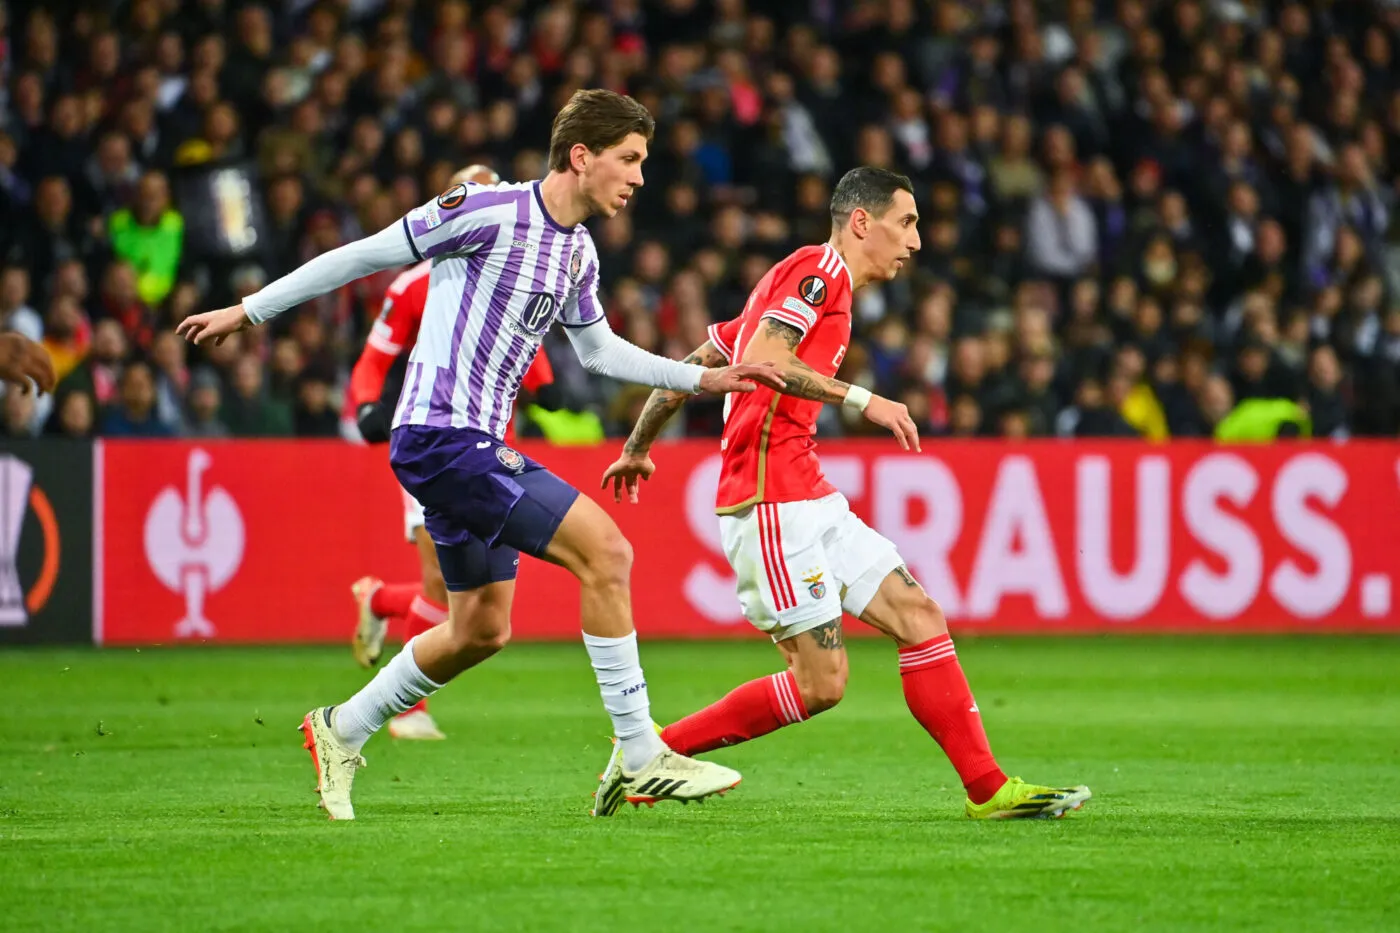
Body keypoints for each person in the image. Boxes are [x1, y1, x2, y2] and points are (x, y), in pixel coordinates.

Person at [177, 89, 784, 820]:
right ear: (581, 156)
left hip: (474, 445)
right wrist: (249, 310)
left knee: (480, 629)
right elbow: (364, 254)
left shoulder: (578, 252)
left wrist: (703, 377)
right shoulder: (485, 210)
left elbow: (596, 352)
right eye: (630, 159)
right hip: (439, 435)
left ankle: (340, 728)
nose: (640, 177)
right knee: (608, 553)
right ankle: (638, 748)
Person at [600, 167, 1091, 819]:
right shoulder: (818, 272)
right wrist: (864, 398)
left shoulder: (789, 287)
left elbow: (688, 371)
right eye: (907, 223)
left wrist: (637, 446)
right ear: (863, 221)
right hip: (770, 498)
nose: (915, 242)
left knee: (919, 616)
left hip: (809, 491)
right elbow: (771, 361)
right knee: (821, 683)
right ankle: (648, 753)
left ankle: (989, 788)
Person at [344, 164, 559, 742]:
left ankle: (381, 600)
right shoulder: (415, 282)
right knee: (446, 587)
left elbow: (531, 356)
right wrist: (366, 406)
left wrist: (546, 384)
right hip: (435, 438)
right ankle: (403, 709)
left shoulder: (519, 270)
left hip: (492, 445)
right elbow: (373, 358)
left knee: (473, 603)